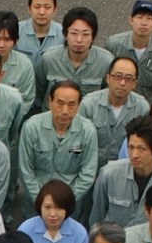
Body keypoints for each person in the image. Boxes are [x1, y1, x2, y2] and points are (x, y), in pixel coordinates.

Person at [19, 81, 98, 217]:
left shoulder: (87, 131)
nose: (65, 111)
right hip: (36, 200)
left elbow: (88, 173)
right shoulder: (32, 127)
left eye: (71, 105)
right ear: (50, 101)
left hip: (70, 203)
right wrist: (41, 201)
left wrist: (66, 200)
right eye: (60, 103)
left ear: (79, 105)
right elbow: (25, 170)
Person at [90, 115, 152, 228]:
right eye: (131, 147)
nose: (134, 155)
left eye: (142, 149)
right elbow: (96, 219)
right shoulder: (108, 174)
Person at [34, 6, 114, 113]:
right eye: (74, 33)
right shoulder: (48, 59)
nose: (79, 40)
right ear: (65, 34)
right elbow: (39, 93)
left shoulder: (106, 62)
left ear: (93, 37)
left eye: (85, 34)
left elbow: (108, 96)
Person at [79, 56, 149, 170]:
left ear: (134, 83)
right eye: (117, 76)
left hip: (124, 173)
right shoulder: (88, 104)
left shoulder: (142, 108)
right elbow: (77, 144)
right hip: (90, 171)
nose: (122, 83)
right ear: (108, 78)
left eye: (128, 78)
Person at [105, 0, 152, 104]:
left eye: (149, 18)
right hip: (114, 103)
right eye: (139, 17)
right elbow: (104, 79)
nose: (144, 23)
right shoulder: (114, 44)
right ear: (131, 20)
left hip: (145, 110)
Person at [19, 179, 90, 243]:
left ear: (68, 207)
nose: (52, 214)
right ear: (40, 206)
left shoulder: (79, 233)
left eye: (59, 208)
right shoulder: (26, 230)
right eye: (47, 207)